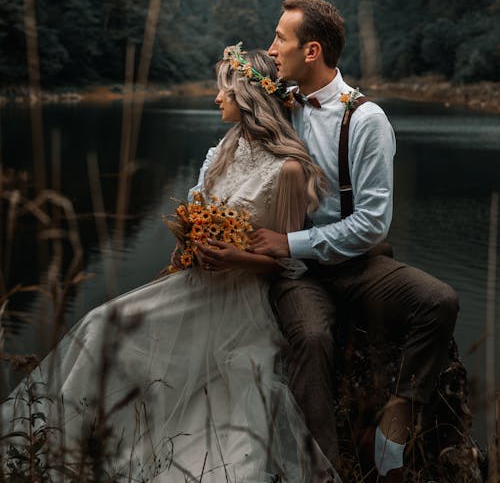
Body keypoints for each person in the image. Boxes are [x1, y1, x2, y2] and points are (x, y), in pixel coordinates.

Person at [1, 48, 340, 483]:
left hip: (239, 301)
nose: (217, 99)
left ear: (249, 97)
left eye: (225, 90)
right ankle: (58, 450)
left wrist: (239, 257)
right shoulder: (225, 150)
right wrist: (190, 245)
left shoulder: (289, 170)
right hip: (192, 282)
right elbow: (199, 214)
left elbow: (286, 265)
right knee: (100, 324)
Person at [250, 0, 459, 483]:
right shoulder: (280, 104)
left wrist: (288, 243)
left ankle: (398, 415)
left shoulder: (366, 121)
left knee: (440, 301)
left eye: (281, 38)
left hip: (359, 266)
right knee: (313, 336)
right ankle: (322, 469)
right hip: (300, 277)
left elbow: (371, 225)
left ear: (312, 50)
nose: (271, 48)